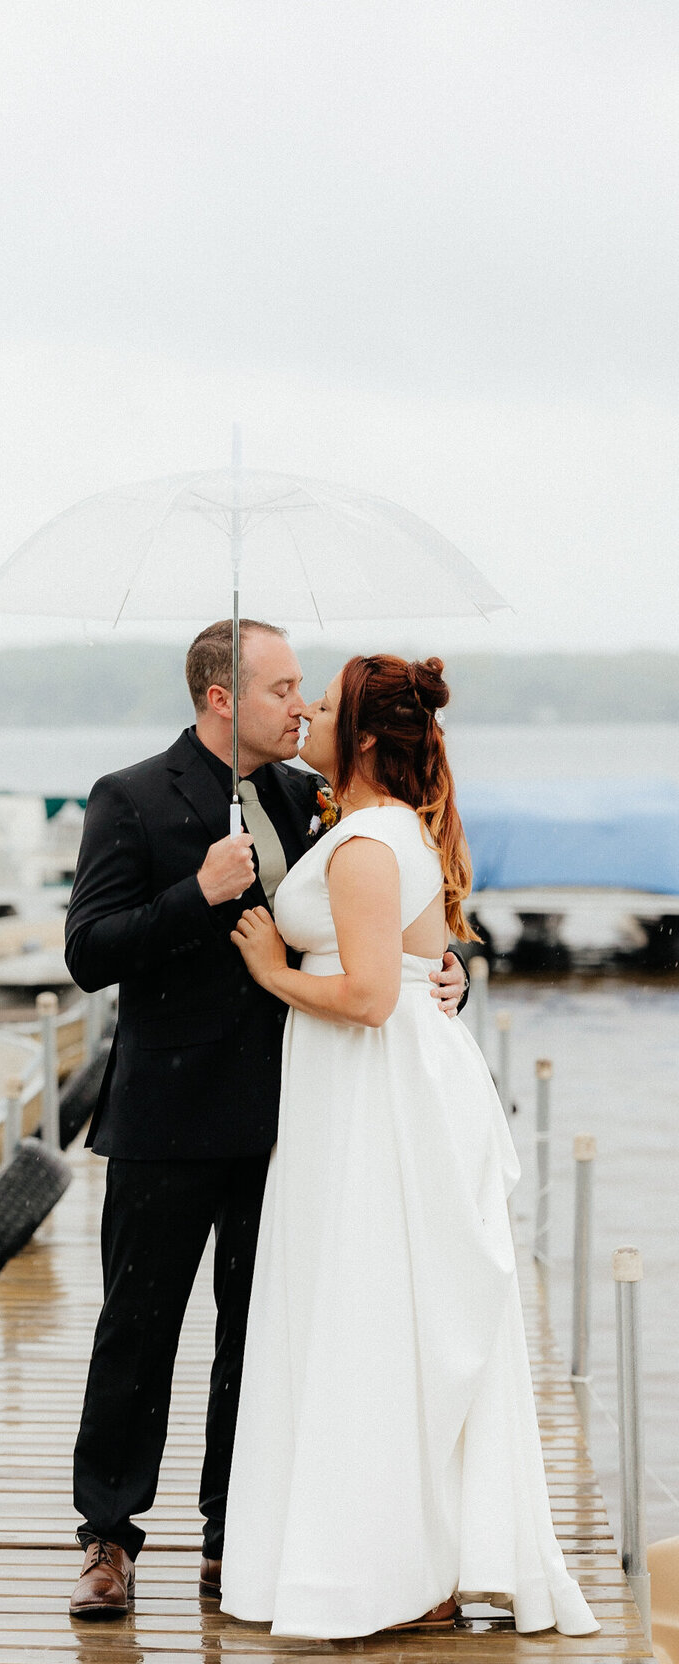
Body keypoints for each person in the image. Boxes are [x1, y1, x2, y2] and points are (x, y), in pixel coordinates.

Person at [62, 621, 469, 1619]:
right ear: (220, 697)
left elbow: (391, 911)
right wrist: (196, 895)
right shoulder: (132, 797)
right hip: (163, 1120)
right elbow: (89, 949)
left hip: (287, 1124)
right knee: (137, 1335)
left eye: (304, 691)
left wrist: (450, 968)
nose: (300, 705)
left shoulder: (308, 798)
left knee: (259, 1337)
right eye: (284, 688)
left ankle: (230, 1536)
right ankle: (108, 1539)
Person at [219, 655, 597, 1639]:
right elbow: (419, 962)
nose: (306, 708)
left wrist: (271, 968)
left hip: (380, 1093)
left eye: (327, 704)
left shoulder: (369, 845)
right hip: (366, 1092)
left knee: (377, 1317)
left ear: (370, 738)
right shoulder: (365, 827)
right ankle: (409, 1558)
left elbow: (370, 995)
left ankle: (392, 1566)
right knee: (376, 1316)